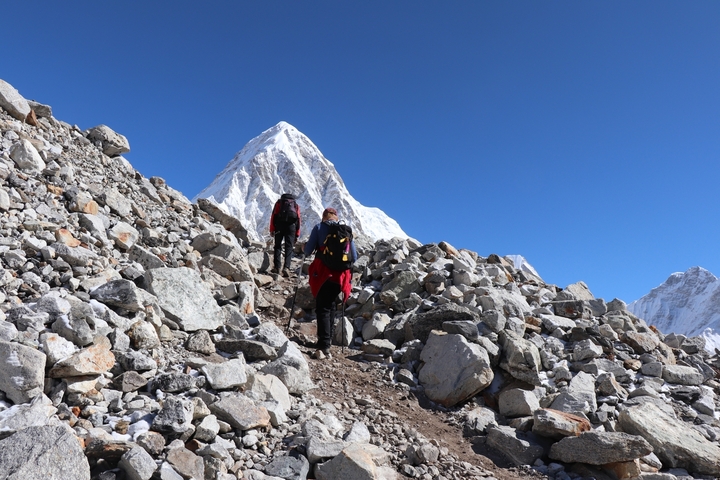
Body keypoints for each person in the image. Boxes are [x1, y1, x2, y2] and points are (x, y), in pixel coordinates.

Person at [304, 207, 357, 359]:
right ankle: (328, 341)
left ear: (324, 217)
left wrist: (305, 247)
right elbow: (354, 256)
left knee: (323, 307)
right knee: (332, 305)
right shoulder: (346, 230)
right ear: (336, 217)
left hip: (323, 274)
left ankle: (323, 344)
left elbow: (308, 250)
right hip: (340, 276)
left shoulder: (319, 227)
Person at [269, 193, 301, 276]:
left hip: (280, 225)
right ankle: (286, 267)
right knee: (289, 247)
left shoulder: (279, 203)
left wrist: (272, 229)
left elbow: (273, 215)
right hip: (291, 227)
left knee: (277, 246)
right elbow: (298, 219)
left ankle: (277, 267)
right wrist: (297, 234)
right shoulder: (295, 205)